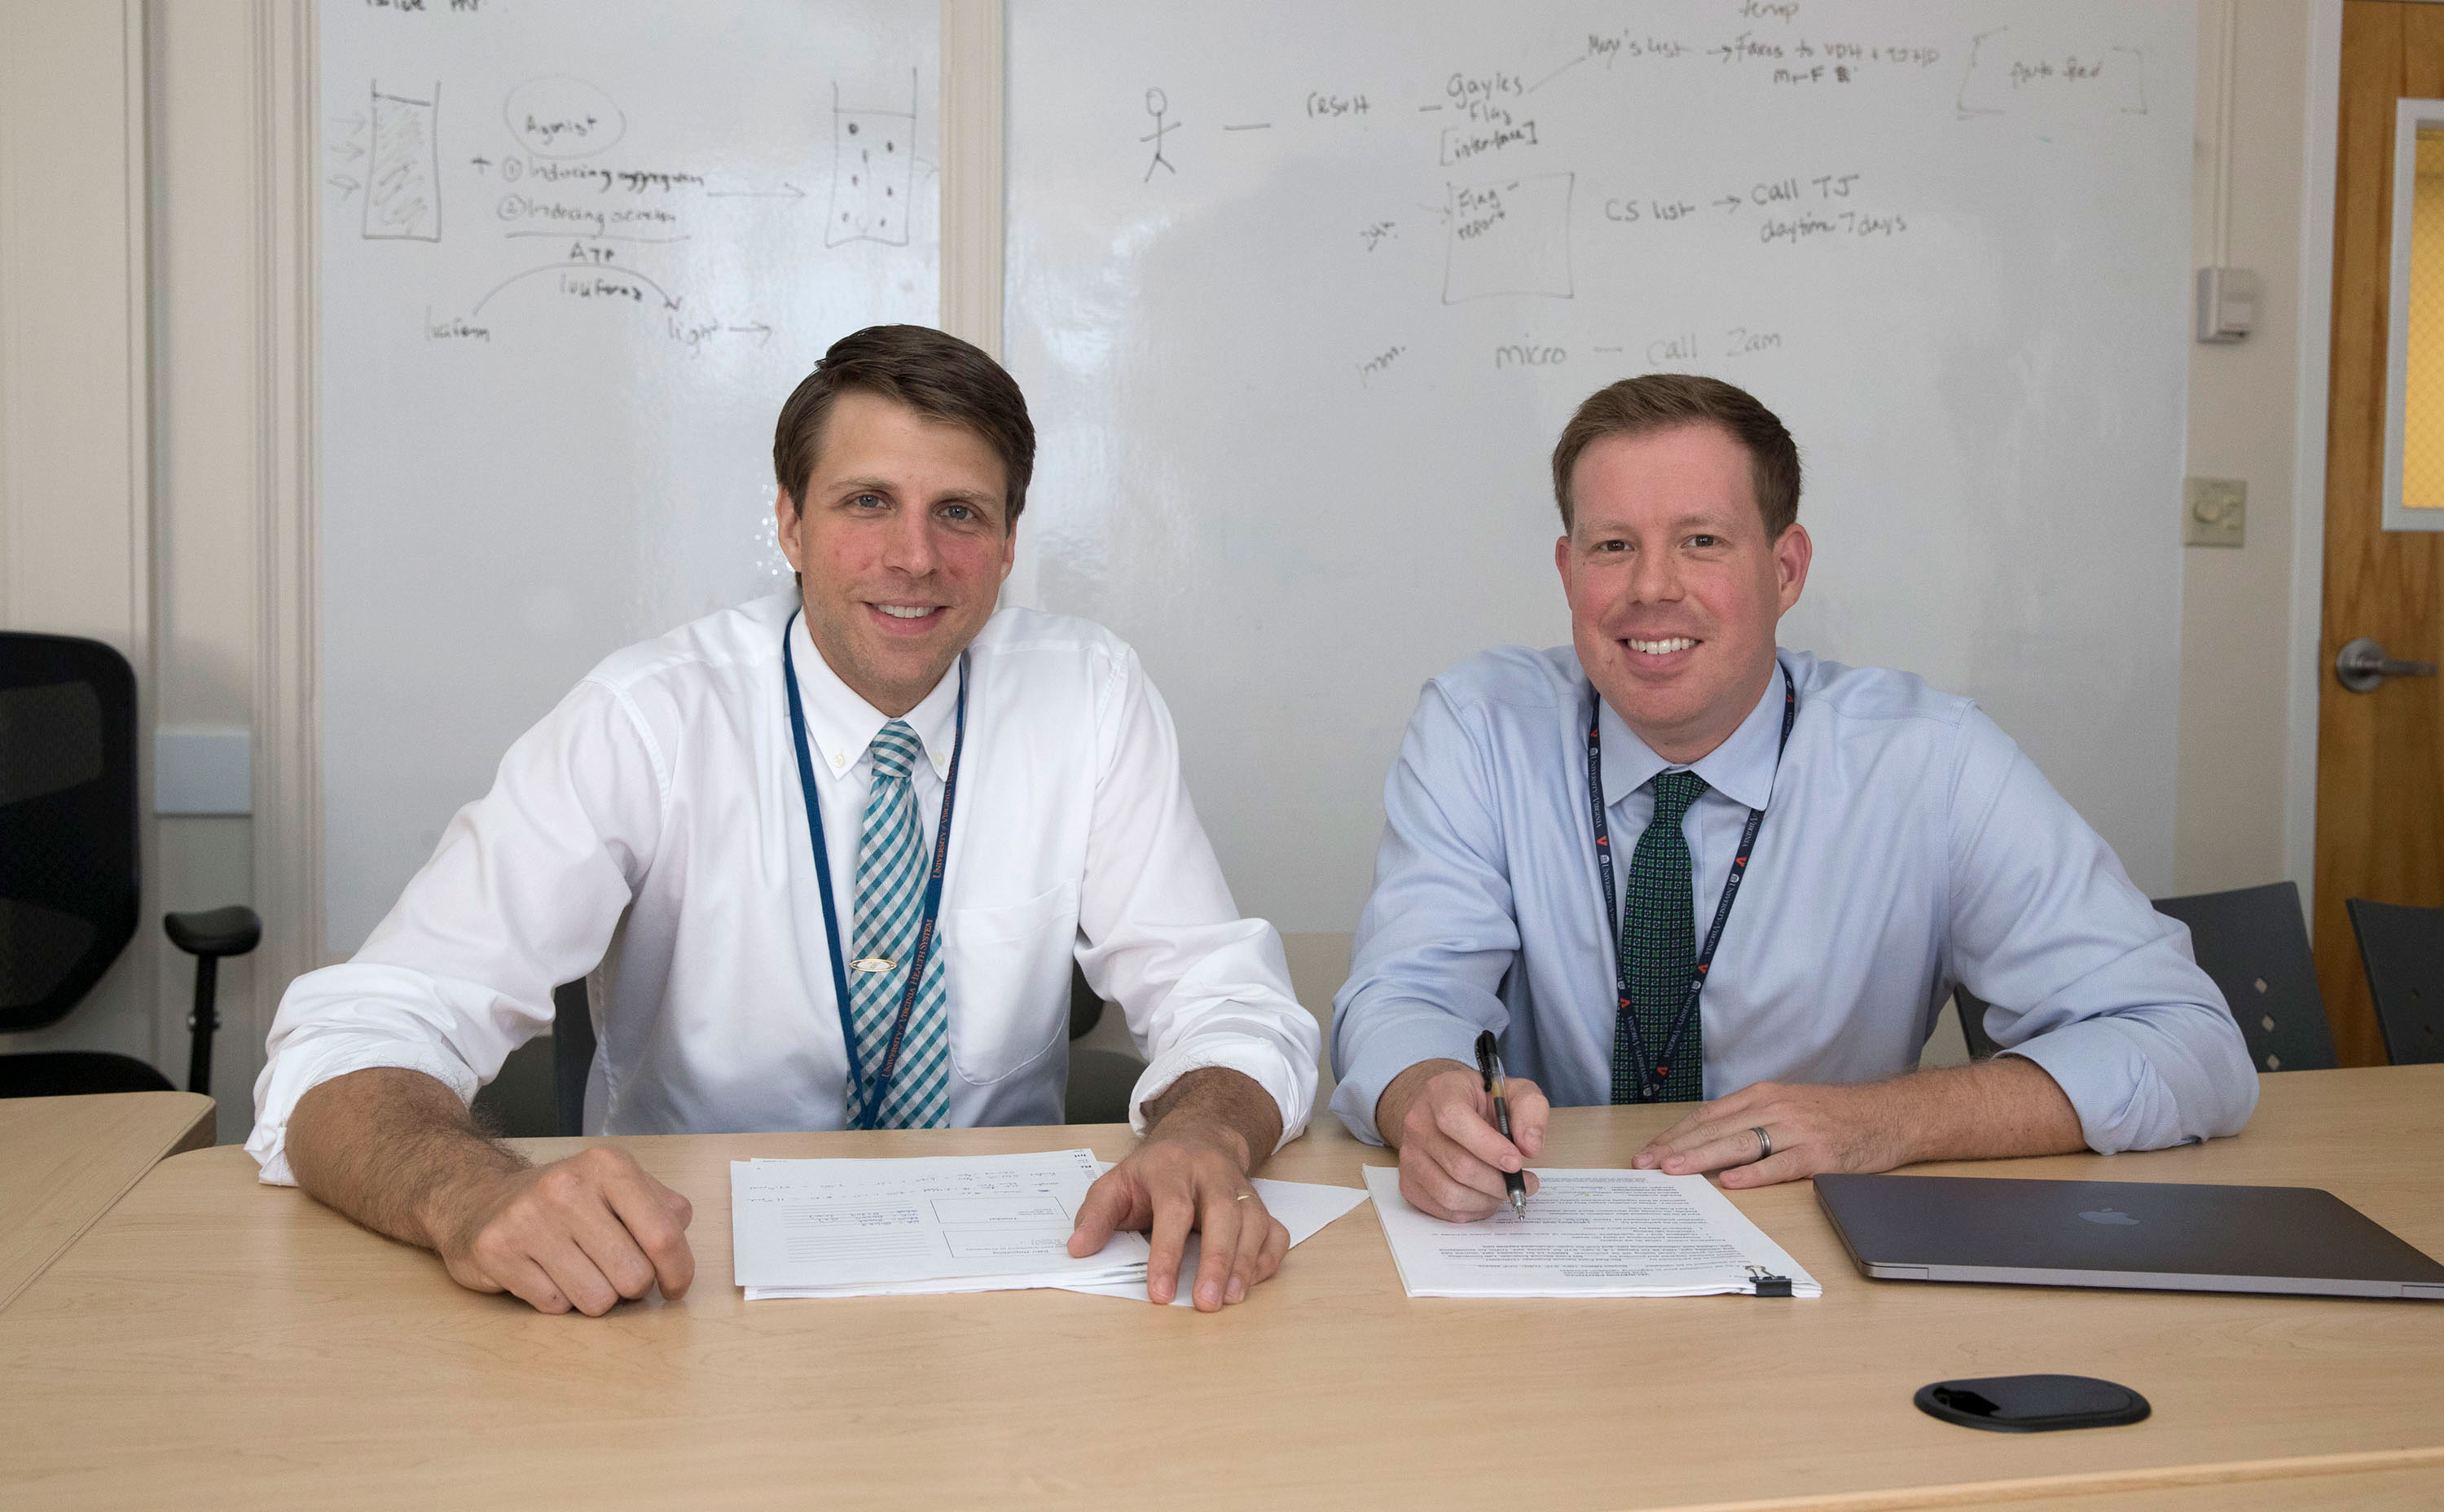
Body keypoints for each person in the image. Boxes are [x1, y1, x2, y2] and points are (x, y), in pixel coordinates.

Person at [251, 324, 1320, 1312]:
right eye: (866, 503)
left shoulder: (1089, 694)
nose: (914, 557)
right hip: (675, 1272)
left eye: (960, 512)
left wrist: (1205, 1132)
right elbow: (356, 1035)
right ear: (789, 524)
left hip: (1021, 1276)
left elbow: (1225, 1001)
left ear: (1005, 545)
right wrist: (467, 1194)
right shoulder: (651, 715)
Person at [1332, 373, 2255, 1222]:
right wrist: (1426, 1093)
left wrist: (1883, 1122)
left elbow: (2189, 1044)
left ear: (1784, 570)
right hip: (1546, 1242)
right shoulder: (1478, 728)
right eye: (1615, 547)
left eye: (1701, 541)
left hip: (1825, 1253)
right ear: (1570, 573)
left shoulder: (1930, 760)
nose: (1652, 588)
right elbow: (1404, 993)